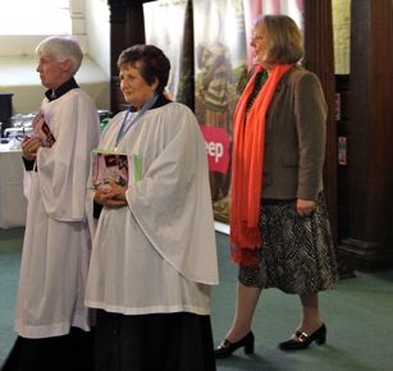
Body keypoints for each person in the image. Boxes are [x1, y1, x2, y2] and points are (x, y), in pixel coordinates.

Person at [85, 44, 219, 370]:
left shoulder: (178, 118)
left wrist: (130, 194)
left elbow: (176, 178)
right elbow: (100, 168)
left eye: (132, 76)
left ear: (155, 81)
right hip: (119, 233)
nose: (124, 83)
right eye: (121, 76)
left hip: (156, 244)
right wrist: (97, 194)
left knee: (154, 308)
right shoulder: (117, 122)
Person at [214, 14, 338, 358]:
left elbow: (313, 143)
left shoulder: (303, 81)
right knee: (250, 264)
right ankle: (240, 331)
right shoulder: (256, 80)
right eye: (253, 38)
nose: (253, 44)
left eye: (259, 38)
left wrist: (306, 193)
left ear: (280, 40)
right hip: (256, 193)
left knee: (302, 265)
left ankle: (312, 321)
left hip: (290, 192)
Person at [1, 36, 101, 371]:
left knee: (60, 285)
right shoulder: (52, 103)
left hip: (66, 216)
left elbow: (71, 165)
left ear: (67, 65)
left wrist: (39, 155)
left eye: (44, 61)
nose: (38, 68)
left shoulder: (76, 103)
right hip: (47, 210)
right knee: (42, 283)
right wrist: (31, 158)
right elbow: (51, 158)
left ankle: (60, 352)